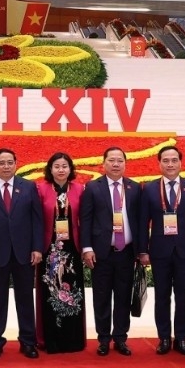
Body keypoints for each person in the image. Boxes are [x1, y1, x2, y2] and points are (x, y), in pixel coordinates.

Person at [0, 148, 43, 360]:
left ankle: (28, 341)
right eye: (1, 163)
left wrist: (37, 248)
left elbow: (37, 220)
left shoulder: (29, 187)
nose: (6, 166)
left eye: (9, 162)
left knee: (25, 299)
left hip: (24, 254)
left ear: (16, 163)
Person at [137, 146, 185, 357]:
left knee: (183, 297)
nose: (170, 164)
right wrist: (142, 251)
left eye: (174, 160)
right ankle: (164, 338)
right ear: (159, 163)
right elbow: (142, 222)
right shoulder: (150, 189)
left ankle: (182, 339)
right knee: (162, 297)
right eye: (166, 160)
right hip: (159, 252)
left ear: (181, 163)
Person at [80, 147, 140, 357]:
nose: (116, 164)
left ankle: (121, 338)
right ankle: (104, 339)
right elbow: (85, 220)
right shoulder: (92, 187)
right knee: (102, 297)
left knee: (123, 297)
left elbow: (140, 223)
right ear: (103, 163)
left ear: (125, 163)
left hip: (126, 253)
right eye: (111, 160)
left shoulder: (134, 187)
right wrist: (86, 248)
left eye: (120, 161)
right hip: (102, 253)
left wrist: (142, 250)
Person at [35, 152, 86, 354]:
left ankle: (73, 341)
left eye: (65, 166)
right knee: (50, 295)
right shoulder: (41, 189)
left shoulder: (80, 189)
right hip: (49, 252)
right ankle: (50, 340)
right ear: (50, 169)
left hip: (72, 250)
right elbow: (36, 221)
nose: (61, 170)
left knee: (74, 295)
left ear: (70, 169)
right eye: (57, 166)